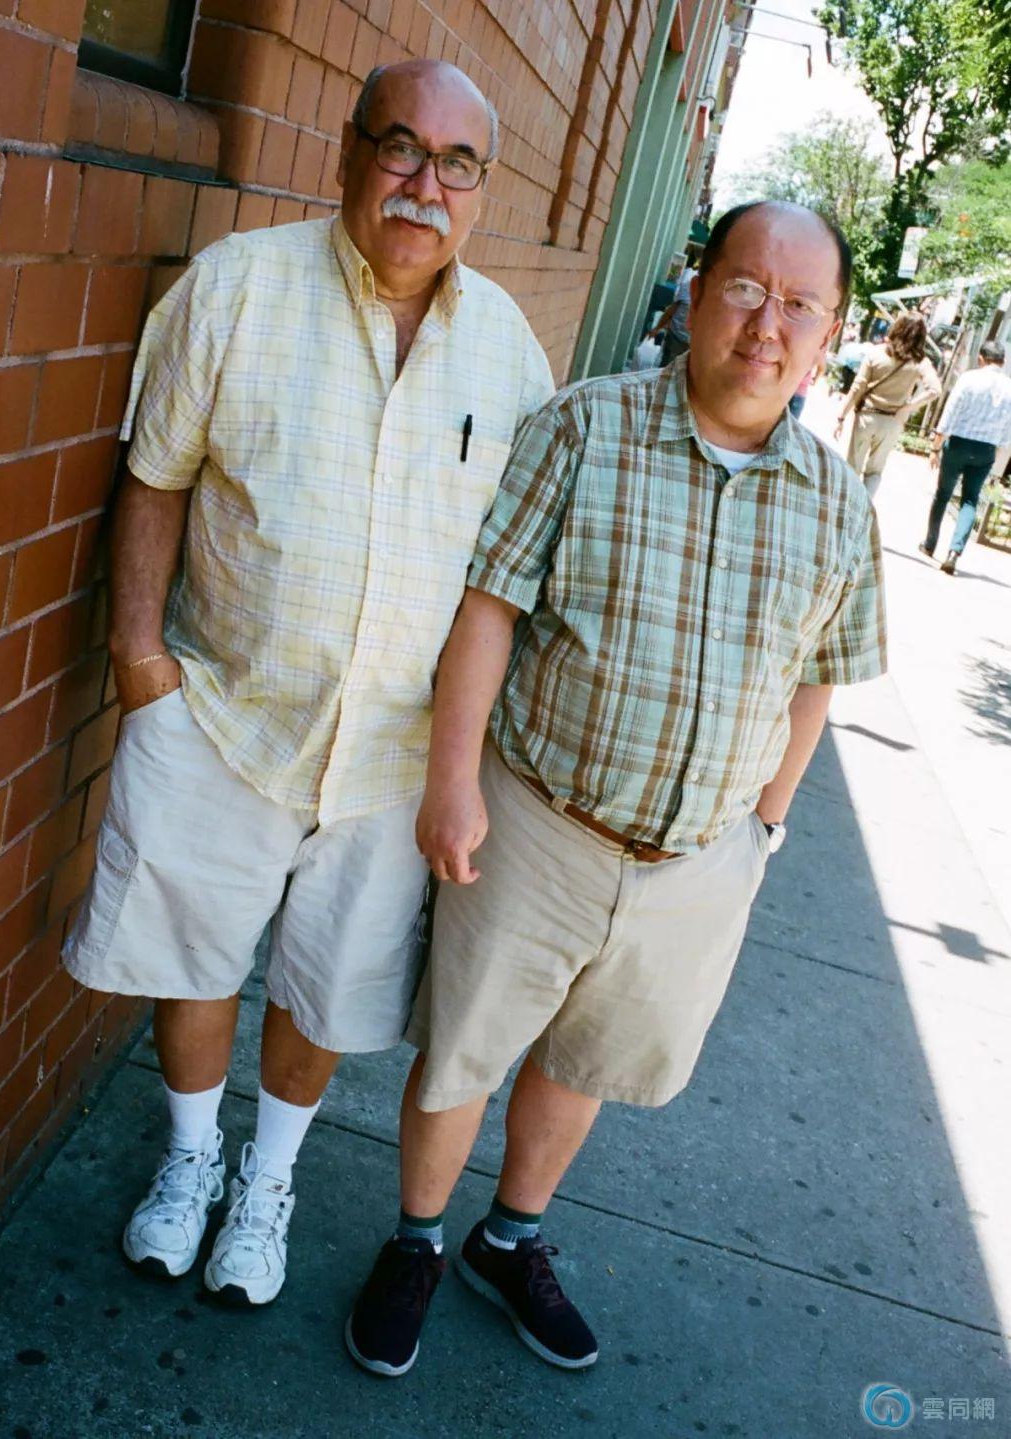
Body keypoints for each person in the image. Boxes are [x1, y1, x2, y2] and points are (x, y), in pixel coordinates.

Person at [344, 200, 887, 1376]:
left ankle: (509, 1235)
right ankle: (416, 1239)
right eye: (747, 287)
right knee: (463, 1050)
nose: (768, 324)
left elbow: (819, 679)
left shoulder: (842, 505)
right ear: (696, 292)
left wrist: (764, 829)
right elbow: (489, 606)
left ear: (831, 332)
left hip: (696, 859)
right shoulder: (584, 425)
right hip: (536, 821)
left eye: (801, 304)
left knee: (585, 1057)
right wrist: (453, 779)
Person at [61, 59, 553, 1307]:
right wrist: (139, 662)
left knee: (326, 986)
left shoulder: (509, 350)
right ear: (348, 150)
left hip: (393, 757)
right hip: (225, 713)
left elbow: (511, 572)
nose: (424, 183)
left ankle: (266, 1182)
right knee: (192, 958)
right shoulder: (238, 286)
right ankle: (189, 1158)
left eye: (456, 163)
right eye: (401, 147)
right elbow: (156, 477)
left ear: (482, 188)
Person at [920, 339, 1011, 573]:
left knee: (943, 494)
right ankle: (954, 552)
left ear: (981, 358)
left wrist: (936, 446)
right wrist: (996, 457)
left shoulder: (969, 378)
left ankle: (930, 543)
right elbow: (1007, 430)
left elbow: (950, 411)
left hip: (958, 444)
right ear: (1003, 361)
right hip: (986, 450)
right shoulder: (1009, 387)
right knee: (970, 500)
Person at [834, 313, 941, 496]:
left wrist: (841, 416)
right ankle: (864, 507)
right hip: (892, 422)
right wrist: (908, 407)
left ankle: (846, 503)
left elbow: (858, 387)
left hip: (866, 417)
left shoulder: (876, 353)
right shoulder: (920, 362)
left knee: (853, 466)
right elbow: (935, 389)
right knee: (875, 471)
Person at [651, 255, 699, 363]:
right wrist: (657, 328)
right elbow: (672, 309)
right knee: (668, 366)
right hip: (676, 338)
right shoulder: (689, 286)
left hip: (692, 344)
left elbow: (672, 310)